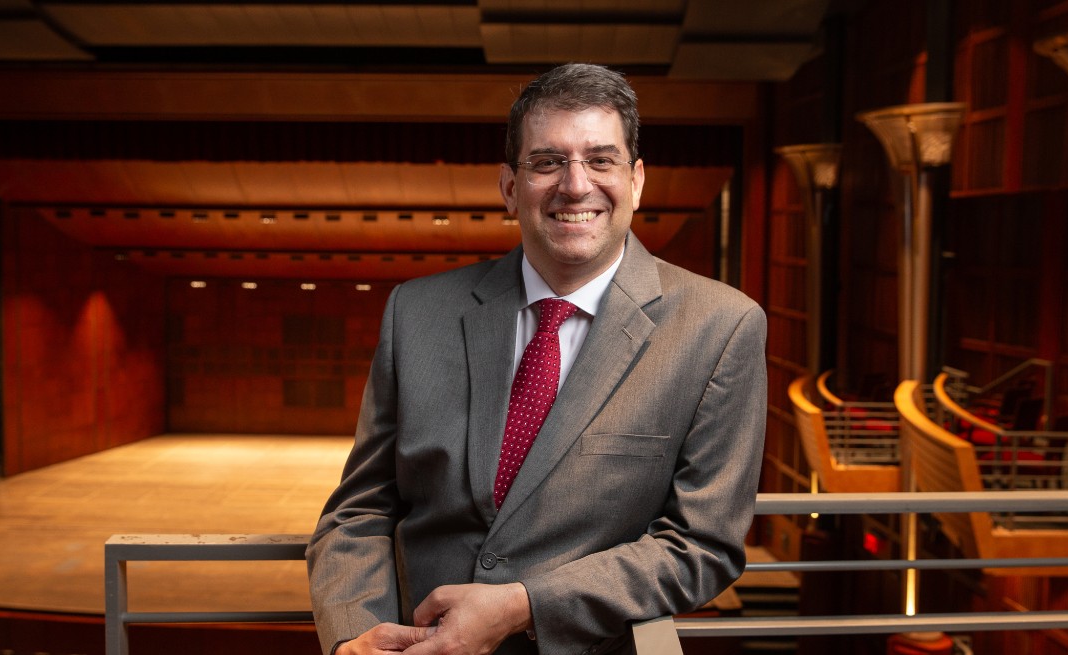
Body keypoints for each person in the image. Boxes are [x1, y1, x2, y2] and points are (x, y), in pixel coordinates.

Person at [306, 62, 767, 655]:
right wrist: (353, 633)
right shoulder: (417, 314)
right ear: (508, 186)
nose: (576, 185)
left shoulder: (720, 326)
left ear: (637, 180)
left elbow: (701, 546)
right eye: (547, 162)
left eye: (601, 160)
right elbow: (360, 509)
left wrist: (522, 605)